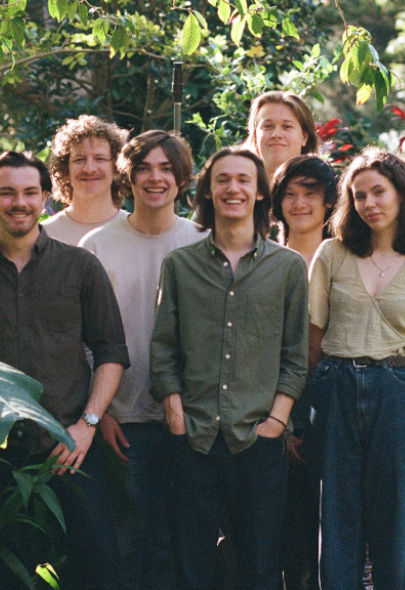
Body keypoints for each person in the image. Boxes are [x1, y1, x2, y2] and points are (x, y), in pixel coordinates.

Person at [0, 151, 130, 589]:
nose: (19, 202)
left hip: (70, 449)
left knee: (101, 573)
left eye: (29, 192)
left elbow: (111, 351)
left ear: (46, 197)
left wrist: (88, 424)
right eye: (7, 193)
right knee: (1, 578)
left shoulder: (80, 268)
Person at [150, 147, 309, 590]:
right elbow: (162, 349)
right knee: (191, 564)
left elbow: (295, 356)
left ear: (260, 193)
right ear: (207, 190)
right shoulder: (179, 266)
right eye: (222, 179)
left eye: (243, 179)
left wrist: (276, 421)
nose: (233, 188)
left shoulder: (288, 268)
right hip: (193, 435)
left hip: (258, 438)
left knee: (259, 567)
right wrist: (176, 412)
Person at [308, 147, 405, 590]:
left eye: (379, 191)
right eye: (359, 195)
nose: (369, 203)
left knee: (396, 526)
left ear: (402, 194)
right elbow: (314, 341)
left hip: (399, 393)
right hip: (336, 388)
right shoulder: (331, 256)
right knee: (338, 521)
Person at [80, 130, 207, 590]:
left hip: (193, 420)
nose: (156, 178)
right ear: (127, 177)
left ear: (183, 178)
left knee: (185, 543)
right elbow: (83, 340)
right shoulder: (95, 246)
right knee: (128, 541)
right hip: (124, 422)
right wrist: (102, 414)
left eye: (167, 168)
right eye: (144, 168)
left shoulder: (202, 241)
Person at [269, 155, 338, 590]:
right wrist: (285, 420)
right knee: (280, 535)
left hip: (334, 408)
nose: (299, 203)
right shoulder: (263, 258)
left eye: (310, 193)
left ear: (329, 202)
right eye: (290, 194)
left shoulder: (346, 258)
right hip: (268, 412)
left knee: (332, 534)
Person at [43, 114, 130, 245]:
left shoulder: (134, 232)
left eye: (100, 159)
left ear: (116, 167)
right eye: (79, 160)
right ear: (66, 169)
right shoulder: (44, 235)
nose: (89, 169)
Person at [245, 91, 321, 182]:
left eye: (287, 126)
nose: (276, 134)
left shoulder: (323, 191)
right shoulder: (237, 191)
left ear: (304, 137)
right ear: (255, 135)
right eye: (268, 126)